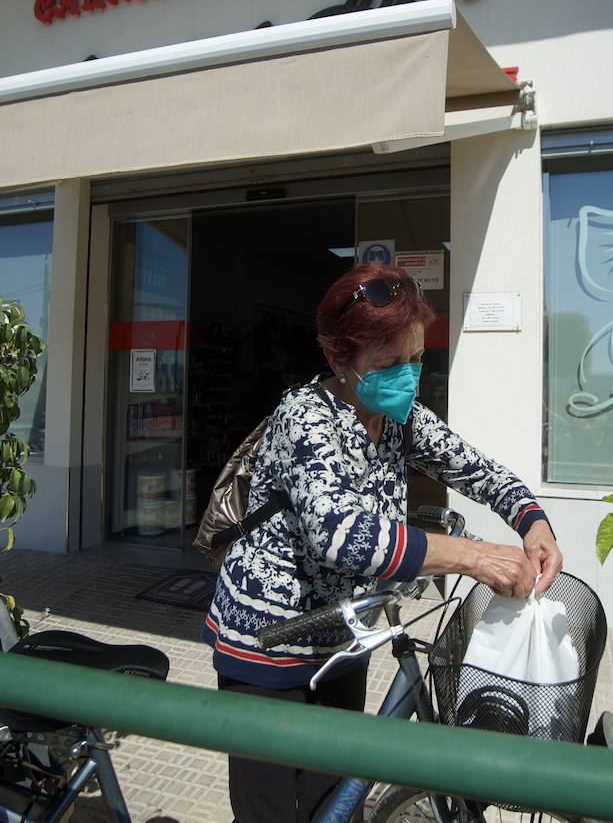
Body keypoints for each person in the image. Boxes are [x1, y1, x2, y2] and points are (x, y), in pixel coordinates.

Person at [203, 263, 563, 823]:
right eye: (390, 363)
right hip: (268, 639)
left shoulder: (399, 418)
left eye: (417, 360)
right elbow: (343, 537)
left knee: (332, 799)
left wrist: (532, 522)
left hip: (343, 634)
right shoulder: (306, 418)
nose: (409, 376)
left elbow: (477, 469)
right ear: (339, 360)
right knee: (270, 811)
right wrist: (472, 556)